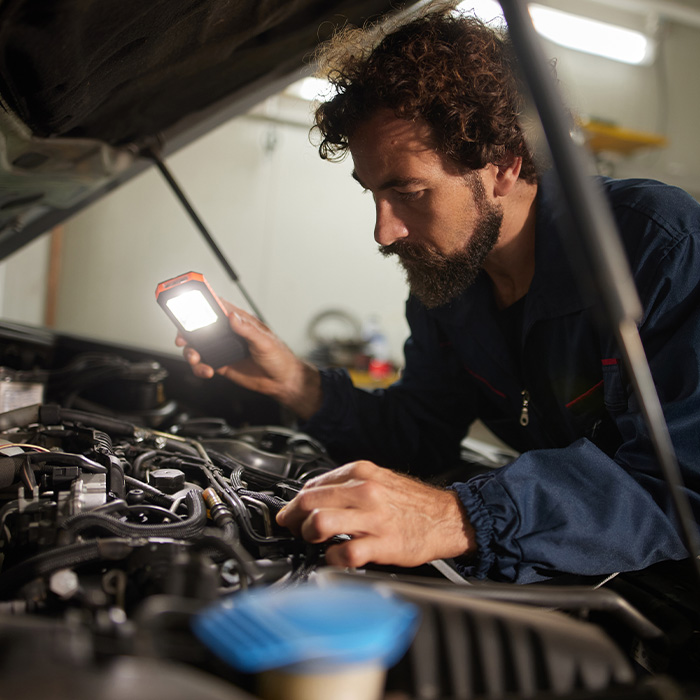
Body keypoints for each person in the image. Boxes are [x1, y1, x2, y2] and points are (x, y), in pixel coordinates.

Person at [177, 8, 700, 583]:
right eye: (373, 192)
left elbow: (680, 486)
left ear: (503, 165)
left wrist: (461, 515)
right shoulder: (449, 282)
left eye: (410, 191)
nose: (384, 230)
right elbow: (421, 432)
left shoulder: (656, 244)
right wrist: (297, 384)